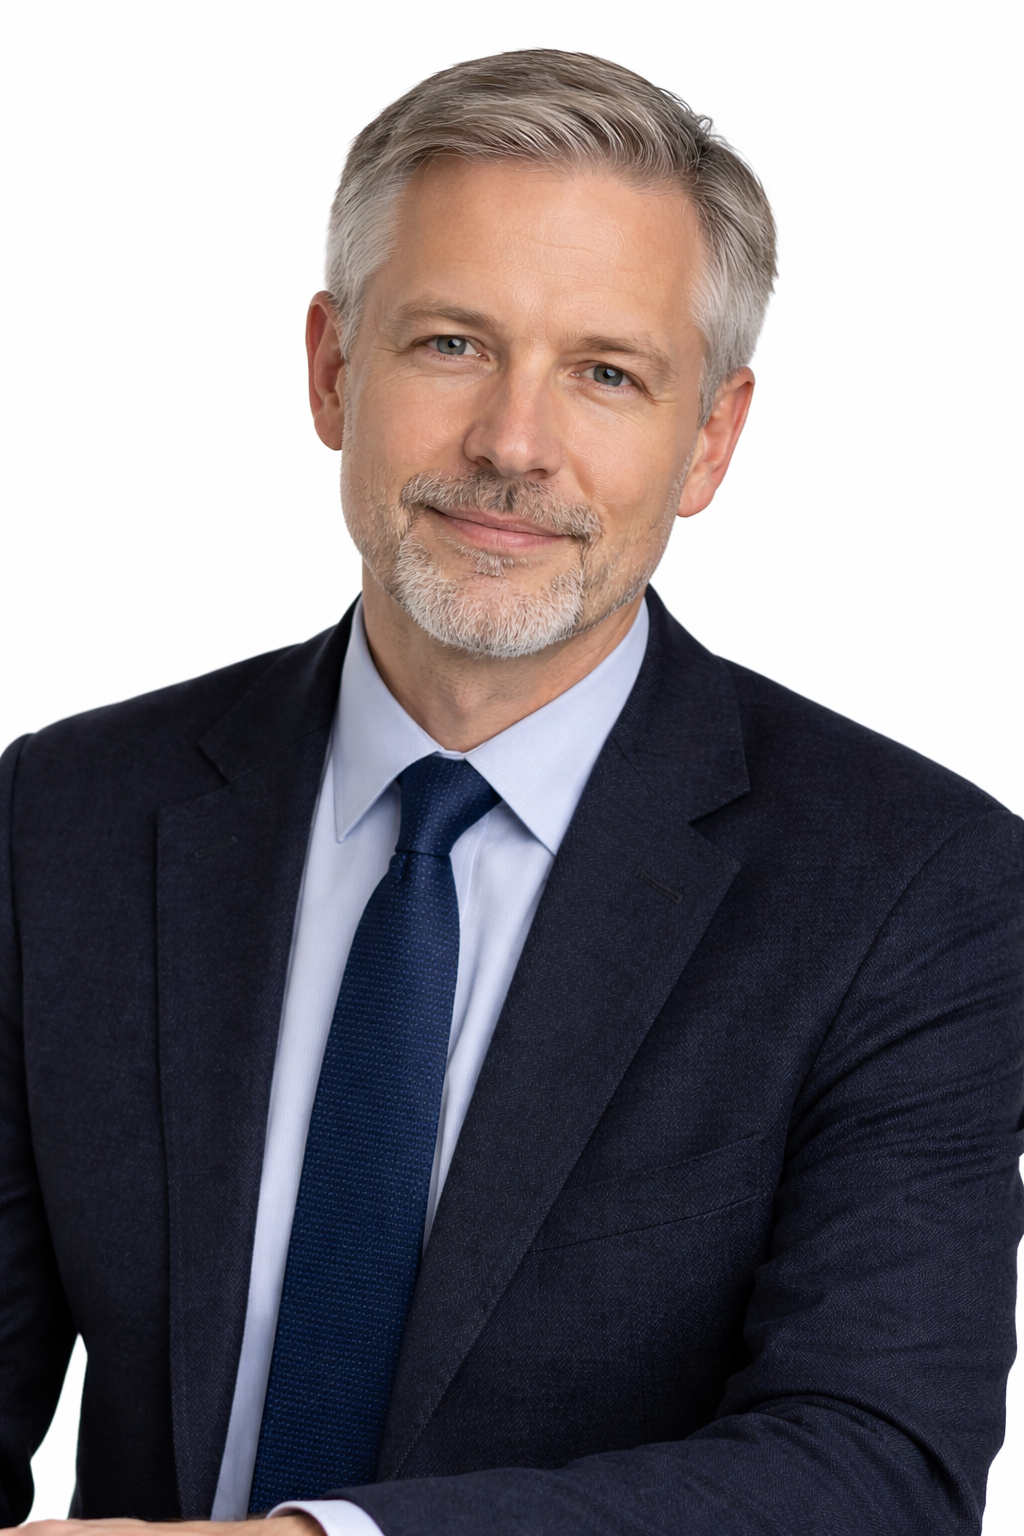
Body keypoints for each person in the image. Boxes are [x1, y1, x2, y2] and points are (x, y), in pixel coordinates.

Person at [1, 47, 1020, 1536]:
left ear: (711, 440)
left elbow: (873, 1466)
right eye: (451, 345)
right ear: (332, 369)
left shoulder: (916, 888)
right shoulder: (65, 819)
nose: (513, 447)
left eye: (606, 374)